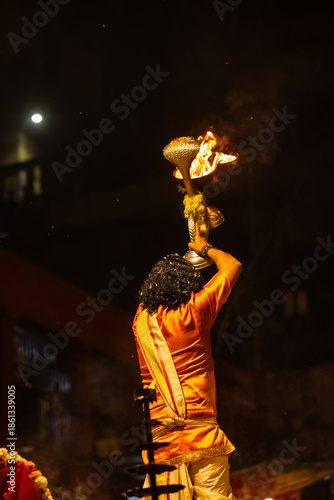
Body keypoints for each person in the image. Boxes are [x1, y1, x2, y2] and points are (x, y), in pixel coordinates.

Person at [132, 225, 242, 499]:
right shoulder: (196, 309)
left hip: (162, 439)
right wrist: (203, 247)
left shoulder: (140, 322)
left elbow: (150, 300)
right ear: (189, 284)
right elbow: (232, 265)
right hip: (202, 432)